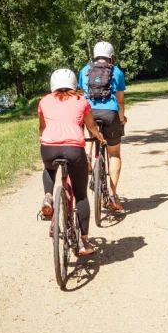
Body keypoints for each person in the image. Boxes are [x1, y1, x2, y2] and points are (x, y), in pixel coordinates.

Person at [38, 68, 105, 256]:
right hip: (74, 150)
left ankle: (48, 197)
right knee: (81, 195)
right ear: (74, 84)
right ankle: (84, 242)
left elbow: (42, 128)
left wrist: (49, 138)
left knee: (49, 168)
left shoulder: (44, 101)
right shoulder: (81, 102)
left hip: (49, 148)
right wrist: (99, 138)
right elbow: (91, 126)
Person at [77, 42, 127, 211]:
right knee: (114, 153)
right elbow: (120, 100)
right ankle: (112, 195)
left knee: (89, 126)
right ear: (111, 56)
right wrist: (121, 118)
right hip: (110, 113)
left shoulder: (85, 70)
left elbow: (81, 94)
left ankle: (88, 156)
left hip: (90, 112)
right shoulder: (117, 72)